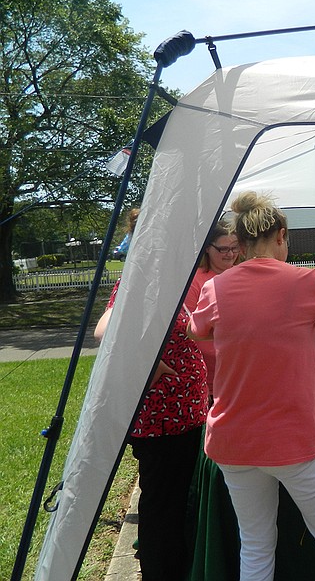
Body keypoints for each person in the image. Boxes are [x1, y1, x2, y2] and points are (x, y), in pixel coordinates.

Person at [189, 191, 315, 581]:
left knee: (254, 544)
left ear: (239, 243)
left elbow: (195, 329)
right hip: (295, 438)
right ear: (281, 235)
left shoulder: (215, 288)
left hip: (234, 440)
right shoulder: (303, 279)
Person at [95, 207, 208, 581]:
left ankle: (173, 567)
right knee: (162, 504)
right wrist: (147, 362)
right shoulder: (139, 279)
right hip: (163, 422)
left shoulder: (166, 277)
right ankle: (161, 573)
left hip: (183, 417)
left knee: (174, 502)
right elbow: (104, 331)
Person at [185, 222, 240, 398]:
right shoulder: (195, 281)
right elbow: (189, 328)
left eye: (235, 248)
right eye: (223, 249)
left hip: (241, 370)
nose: (230, 254)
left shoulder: (242, 275)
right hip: (209, 374)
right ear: (208, 248)